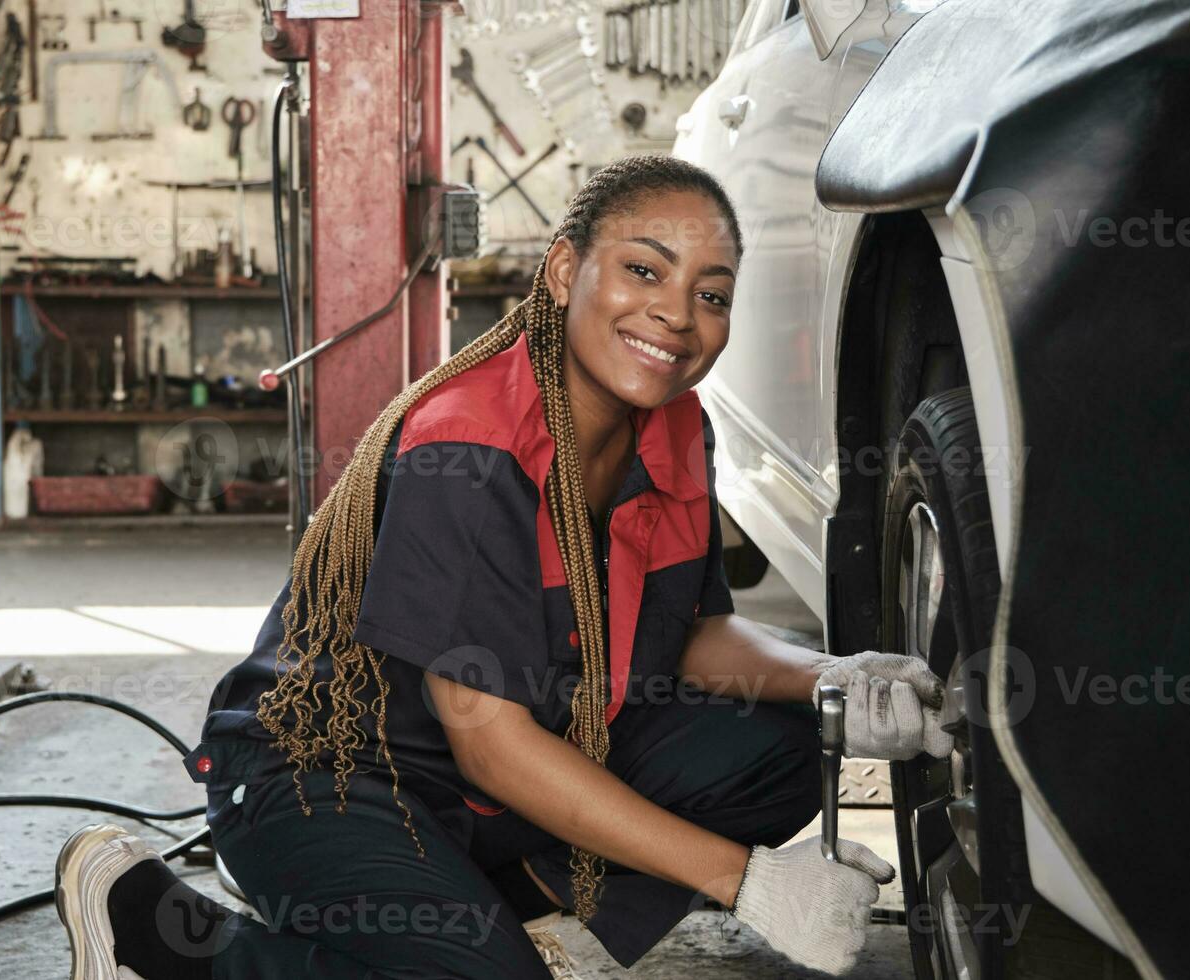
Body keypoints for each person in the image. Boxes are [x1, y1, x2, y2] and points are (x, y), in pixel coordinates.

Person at [53, 155, 951, 980]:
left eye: (710, 294)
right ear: (566, 272)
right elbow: (490, 741)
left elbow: (689, 633)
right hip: (331, 773)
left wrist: (833, 677)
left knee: (784, 751)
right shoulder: (471, 446)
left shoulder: (677, 425)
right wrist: (748, 884)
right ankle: (152, 928)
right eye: (644, 270)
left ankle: (492, 920)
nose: (677, 314)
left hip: (500, 782)